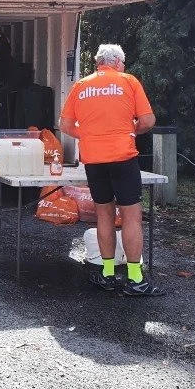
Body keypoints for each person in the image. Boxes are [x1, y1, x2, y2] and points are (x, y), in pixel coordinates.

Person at [59, 44, 162, 296]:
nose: (123, 67)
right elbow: (148, 120)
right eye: (123, 63)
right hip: (122, 157)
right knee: (131, 216)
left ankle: (107, 274)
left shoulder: (81, 86)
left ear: (99, 62)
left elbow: (65, 125)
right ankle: (135, 279)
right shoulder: (128, 81)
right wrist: (130, 130)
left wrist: (90, 135)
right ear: (117, 62)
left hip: (93, 159)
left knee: (103, 214)